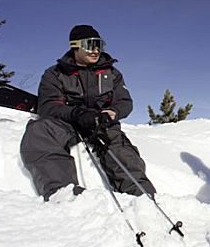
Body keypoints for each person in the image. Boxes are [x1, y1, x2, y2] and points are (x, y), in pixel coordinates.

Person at [20, 25, 156, 201]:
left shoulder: (111, 73)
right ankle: (65, 195)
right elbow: (48, 106)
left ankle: (144, 199)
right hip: (68, 123)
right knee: (40, 132)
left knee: (122, 151)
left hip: (102, 123)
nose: (96, 50)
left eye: (99, 44)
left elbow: (125, 102)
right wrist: (76, 114)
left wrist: (113, 112)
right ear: (75, 46)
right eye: (90, 44)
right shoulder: (55, 74)